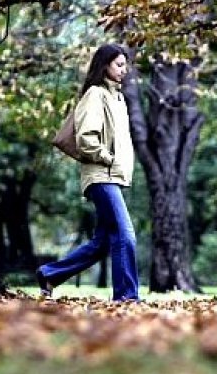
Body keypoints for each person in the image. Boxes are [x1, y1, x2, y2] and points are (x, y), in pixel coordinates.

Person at [37, 43, 140, 301]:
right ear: (104, 65)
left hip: (112, 176)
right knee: (125, 235)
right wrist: (108, 158)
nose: (124, 70)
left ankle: (50, 274)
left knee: (103, 243)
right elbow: (86, 138)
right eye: (118, 64)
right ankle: (127, 297)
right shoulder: (95, 94)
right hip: (101, 176)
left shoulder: (118, 98)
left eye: (125, 65)